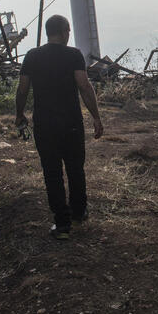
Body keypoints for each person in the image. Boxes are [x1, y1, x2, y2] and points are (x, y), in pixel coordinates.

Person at [16, 14, 103, 240]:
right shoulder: (73, 55)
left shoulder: (32, 56)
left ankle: (62, 224)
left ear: (48, 32)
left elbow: (23, 88)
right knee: (75, 169)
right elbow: (84, 86)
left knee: (52, 173)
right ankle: (79, 211)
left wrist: (19, 114)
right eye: (68, 31)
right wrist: (96, 117)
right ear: (64, 31)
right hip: (71, 123)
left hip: (44, 125)